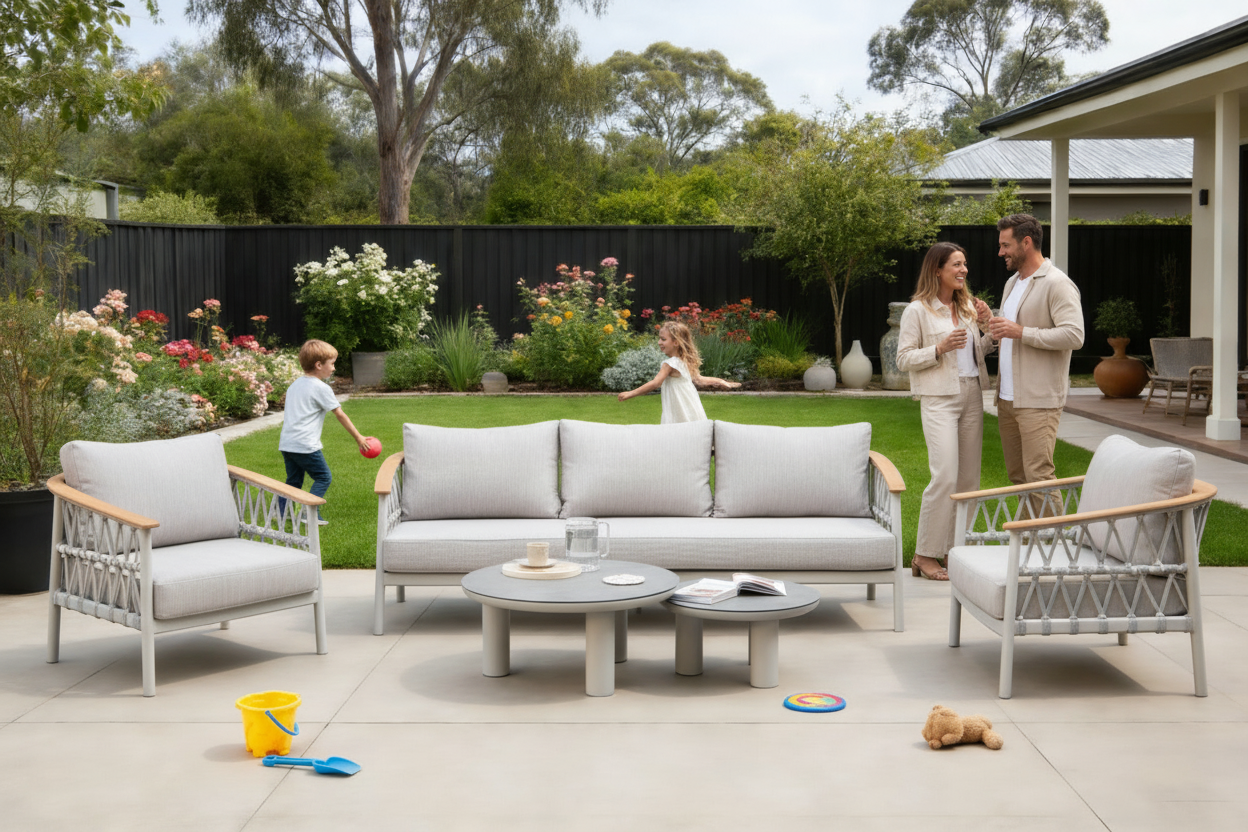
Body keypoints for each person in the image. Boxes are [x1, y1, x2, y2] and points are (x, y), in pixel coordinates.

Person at [896, 242, 995, 580]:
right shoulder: (918, 310)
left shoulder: (968, 307)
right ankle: (924, 555)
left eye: (964, 264)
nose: (963, 270)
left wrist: (989, 328)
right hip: (938, 397)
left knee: (969, 480)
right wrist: (938, 348)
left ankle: (956, 551)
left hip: (972, 395)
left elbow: (976, 352)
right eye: (956, 264)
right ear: (937, 269)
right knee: (945, 475)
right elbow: (903, 358)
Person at [987, 214, 1084, 514]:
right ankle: (1030, 548)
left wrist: (1021, 332)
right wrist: (987, 322)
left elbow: (1074, 335)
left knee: (1039, 477)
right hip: (1007, 398)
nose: (1001, 252)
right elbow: (1008, 336)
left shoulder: (1057, 284)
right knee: (1019, 478)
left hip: (1038, 400)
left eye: (1006, 245)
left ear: (1026, 243)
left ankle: (1057, 551)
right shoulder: (1012, 283)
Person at [279, 339, 370, 524]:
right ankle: (309, 513)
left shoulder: (295, 385)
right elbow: (340, 415)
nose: (334, 368)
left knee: (293, 481)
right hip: (305, 444)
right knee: (323, 477)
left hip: (287, 443)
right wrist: (359, 437)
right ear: (319, 365)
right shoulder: (321, 388)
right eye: (332, 363)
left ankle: (281, 512)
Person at [618, 321, 741, 423]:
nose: (659, 342)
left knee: (675, 439)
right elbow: (699, 379)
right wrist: (721, 381)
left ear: (676, 342)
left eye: (663, 339)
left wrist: (631, 393)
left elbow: (656, 383)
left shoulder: (670, 364)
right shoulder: (684, 362)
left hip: (678, 409)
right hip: (690, 407)